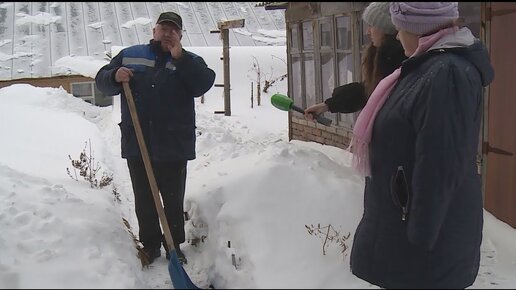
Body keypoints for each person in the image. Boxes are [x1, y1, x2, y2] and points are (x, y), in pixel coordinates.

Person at [348, 2, 494, 289]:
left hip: (423, 250)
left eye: (400, 28)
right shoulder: (424, 68)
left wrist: (418, 243)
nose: (398, 35)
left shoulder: (446, 73)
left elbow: (440, 164)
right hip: (406, 233)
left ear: (416, 27)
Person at [95, 11, 215, 265]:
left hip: (173, 143)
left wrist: (180, 59)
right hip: (138, 140)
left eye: (174, 29)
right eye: (164, 28)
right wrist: (114, 76)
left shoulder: (189, 60)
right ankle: (150, 245)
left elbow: (203, 84)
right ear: (154, 31)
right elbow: (102, 81)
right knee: (144, 198)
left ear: (181, 35)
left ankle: (174, 246)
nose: (168, 33)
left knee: (173, 198)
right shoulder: (130, 54)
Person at [304, 2, 406, 120]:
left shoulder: (400, 63)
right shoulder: (382, 58)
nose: (367, 32)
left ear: (386, 28)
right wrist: (328, 105)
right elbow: (367, 91)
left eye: (371, 26)